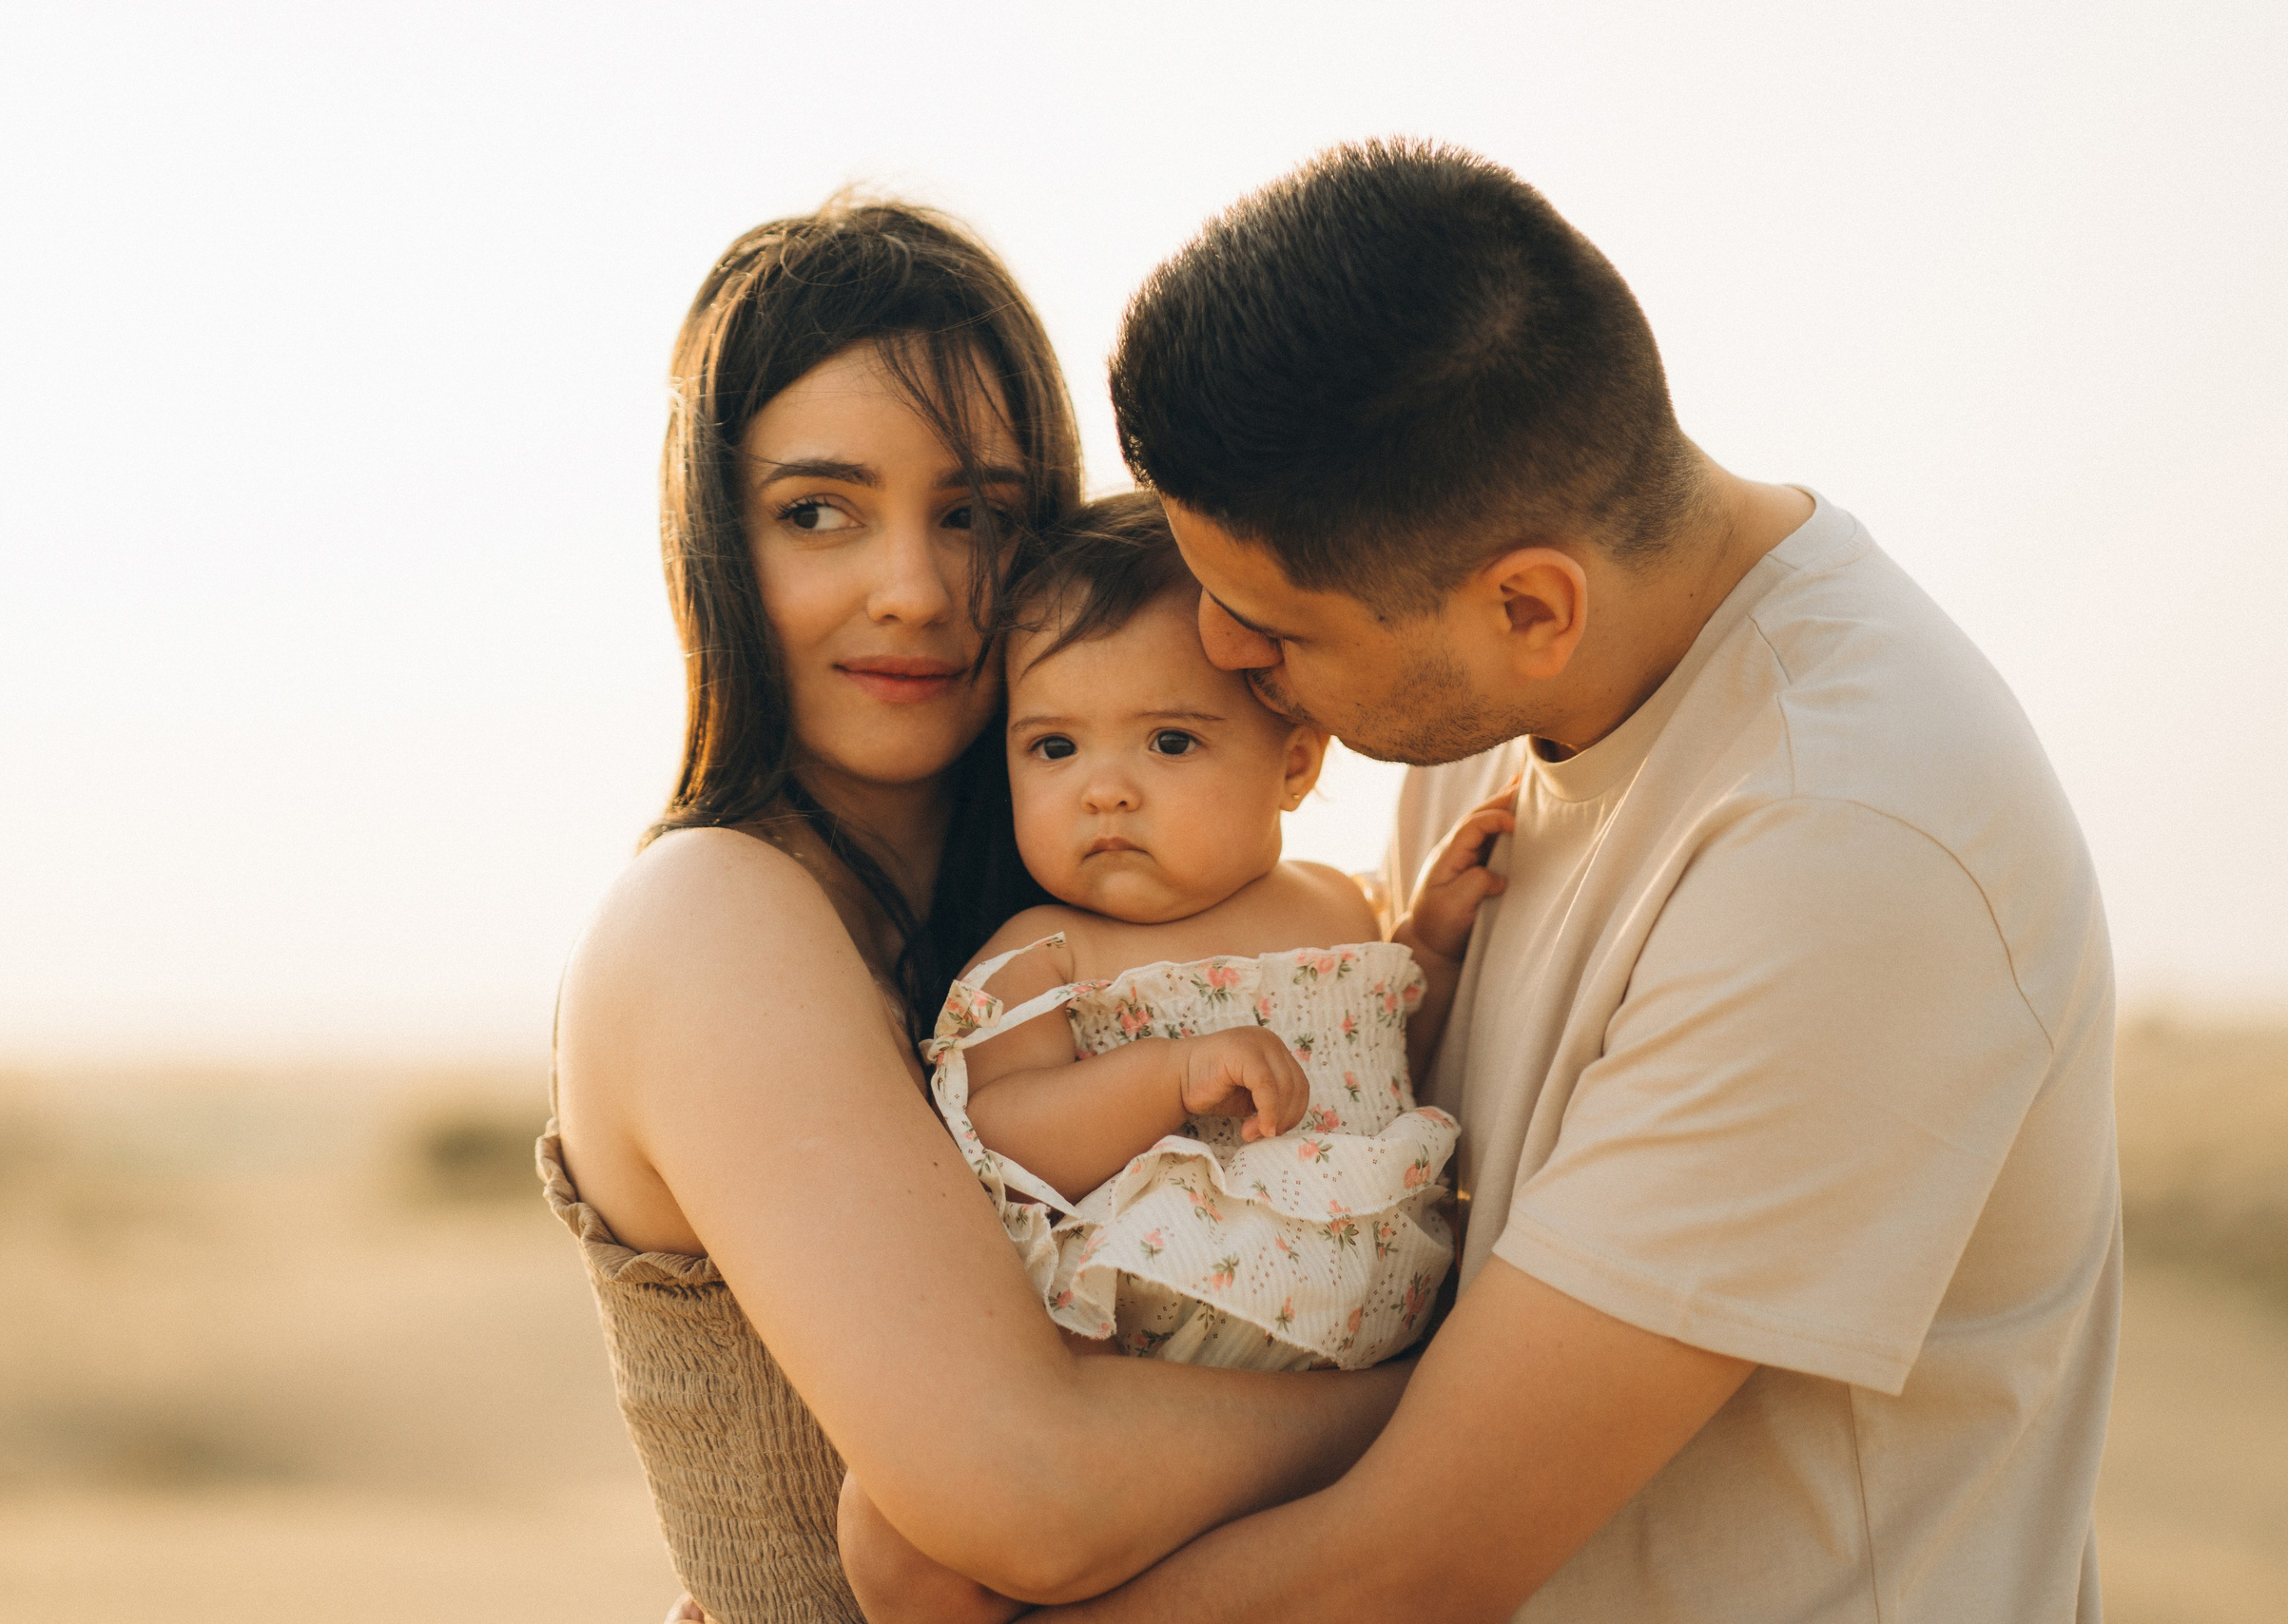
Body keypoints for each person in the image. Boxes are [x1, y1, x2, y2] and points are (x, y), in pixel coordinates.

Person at [1032, 140, 2121, 1621]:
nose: (1220, 652)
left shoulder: (1851, 842)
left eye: (1270, 622)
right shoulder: (1478, 709)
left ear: (1530, 605)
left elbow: (1411, 1564)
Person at [542, 200, 1414, 1624]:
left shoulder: (1086, 908)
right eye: (818, 512)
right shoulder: (709, 917)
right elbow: (1031, 1495)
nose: (915, 589)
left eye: (978, 516)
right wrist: (1454, 1396)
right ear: (714, 545)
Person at [838, 493, 1487, 1622]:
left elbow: (1386, 1076)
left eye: (1170, 739)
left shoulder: (1335, 905)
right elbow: (1004, 1128)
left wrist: (1427, 940)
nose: (1104, 786)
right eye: (1053, 745)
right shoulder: (1045, 953)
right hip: (1143, 1366)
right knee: (898, 1535)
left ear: (1293, 764)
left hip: (1352, 1338)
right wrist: (1168, 1076)